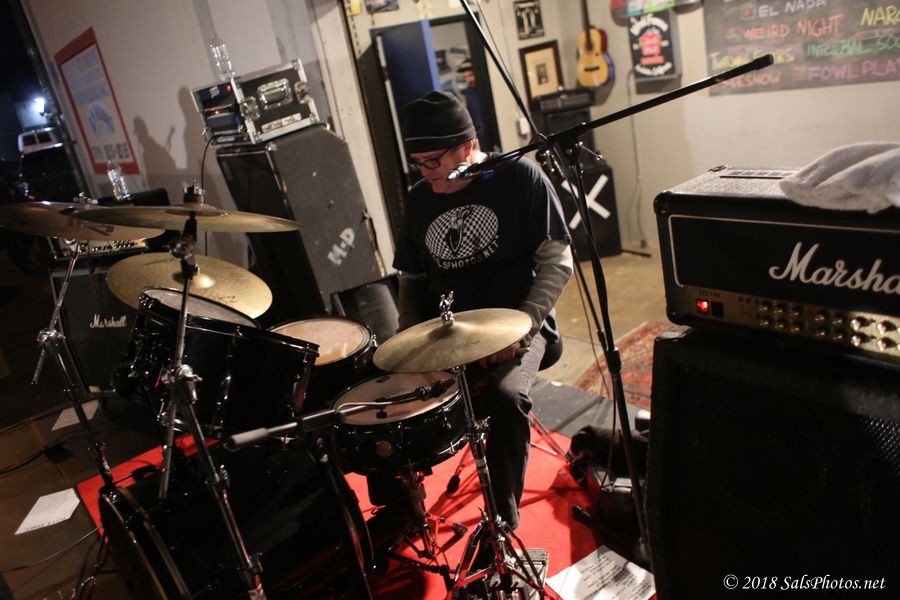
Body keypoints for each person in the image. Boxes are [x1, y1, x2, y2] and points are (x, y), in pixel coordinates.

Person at [393, 90, 573, 532]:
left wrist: (523, 329)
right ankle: (398, 514)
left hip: (520, 327)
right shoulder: (420, 198)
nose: (426, 173)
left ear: (468, 146)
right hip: (453, 333)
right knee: (386, 392)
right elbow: (412, 280)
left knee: (505, 397)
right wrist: (408, 348)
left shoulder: (520, 178)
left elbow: (557, 262)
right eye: (417, 164)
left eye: (433, 161)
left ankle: (502, 521)